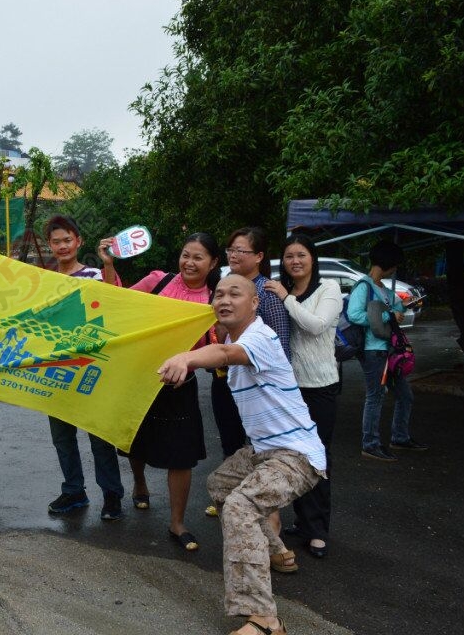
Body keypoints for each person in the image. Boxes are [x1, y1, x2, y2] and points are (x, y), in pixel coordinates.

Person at [158, 274, 326, 635]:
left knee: (239, 506)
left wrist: (187, 358)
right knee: (220, 484)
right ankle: (278, 551)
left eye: (235, 293)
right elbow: (218, 351)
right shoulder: (233, 338)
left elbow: (220, 354)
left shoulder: (260, 337)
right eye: (218, 294)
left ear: (254, 303)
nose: (224, 299)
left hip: (296, 454)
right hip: (264, 450)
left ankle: (265, 619)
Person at [0, 215, 125, 520]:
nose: (62, 246)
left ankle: (112, 495)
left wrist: (107, 263)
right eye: (56, 241)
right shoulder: (44, 281)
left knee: (99, 436)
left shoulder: (93, 275)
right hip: (56, 370)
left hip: (91, 367)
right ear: (49, 246)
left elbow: (116, 300)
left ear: (78, 242)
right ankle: (74, 491)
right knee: (62, 437)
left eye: (68, 240)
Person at [99, 232, 220, 549]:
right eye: (185, 255)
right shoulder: (158, 280)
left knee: (181, 458)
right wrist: (109, 266)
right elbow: (119, 304)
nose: (189, 262)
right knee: (135, 442)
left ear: (213, 263)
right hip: (140, 378)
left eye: (198, 257)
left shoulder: (214, 300)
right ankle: (139, 484)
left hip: (181, 388)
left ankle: (177, 523)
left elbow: (216, 346)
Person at [204, 227, 291, 522]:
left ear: (259, 257)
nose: (234, 255)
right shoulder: (223, 286)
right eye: (231, 250)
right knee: (230, 444)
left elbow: (281, 347)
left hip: (258, 388)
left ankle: (263, 512)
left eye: (241, 250)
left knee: (259, 449)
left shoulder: (267, 293)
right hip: (224, 381)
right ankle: (233, 500)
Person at [264, 235, 341, 559]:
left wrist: (285, 298)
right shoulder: (286, 292)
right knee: (294, 457)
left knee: (317, 458)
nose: (295, 261)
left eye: (301, 255)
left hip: (321, 385)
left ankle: (319, 530)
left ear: (312, 258)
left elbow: (316, 325)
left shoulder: (329, 289)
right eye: (289, 256)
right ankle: (303, 521)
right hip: (291, 389)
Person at [347, 240, 424, 461]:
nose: (396, 269)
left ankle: (399, 437)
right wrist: (387, 317)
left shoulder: (382, 288)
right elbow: (354, 315)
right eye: (395, 264)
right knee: (375, 396)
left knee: (405, 396)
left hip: (389, 350)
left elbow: (395, 309)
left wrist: (405, 305)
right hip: (374, 350)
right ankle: (370, 444)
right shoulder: (364, 286)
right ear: (389, 264)